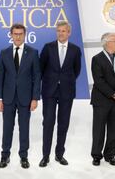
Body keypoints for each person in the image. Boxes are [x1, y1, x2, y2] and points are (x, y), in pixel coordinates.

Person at [0, 23, 41, 169]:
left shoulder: (33, 53)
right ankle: (5, 155)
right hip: (8, 98)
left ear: (25, 35)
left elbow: (36, 76)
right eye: (15, 34)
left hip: (25, 98)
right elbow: (0, 77)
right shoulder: (4, 53)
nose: (18, 36)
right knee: (7, 127)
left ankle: (24, 156)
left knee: (24, 128)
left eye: (20, 34)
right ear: (11, 35)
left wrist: (35, 98)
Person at [38, 21, 81, 167]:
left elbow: (76, 71)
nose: (60, 33)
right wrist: (52, 81)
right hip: (49, 91)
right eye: (58, 31)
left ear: (69, 33)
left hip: (66, 92)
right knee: (48, 123)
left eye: (63, 31)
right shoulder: (48, 47)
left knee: (63, 124)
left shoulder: (75, 50)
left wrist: (65, 81)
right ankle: (45, 156)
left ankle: (59, 154)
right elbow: (41, 68)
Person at [90, 32, 115, 166]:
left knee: (114, 129)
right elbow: (99, 81)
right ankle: (96, 156)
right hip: (101, 100)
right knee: (99, 129)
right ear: (108, 43)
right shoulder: (97, 59)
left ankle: (110, 155)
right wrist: (113, 94)